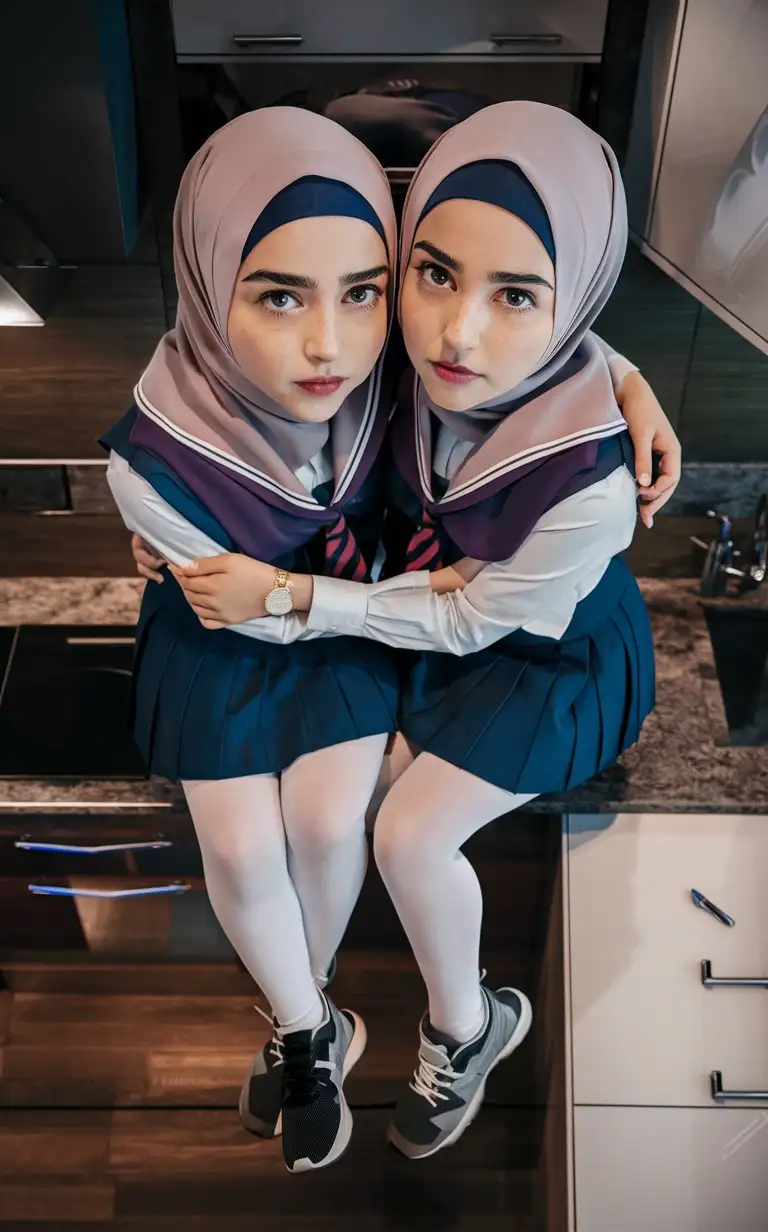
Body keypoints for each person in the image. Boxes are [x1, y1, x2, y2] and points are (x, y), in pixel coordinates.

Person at [166, 101, 658, 1162]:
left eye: (518, 296)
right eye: (432, 276)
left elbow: (478, 611)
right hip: (417, 619)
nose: (457, 332)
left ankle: (468, 1028)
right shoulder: (382, 338)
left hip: (543, 654)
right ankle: (310, 1023)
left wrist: (289, 599)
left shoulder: (592, 485)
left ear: (570, 300)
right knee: (332, 814)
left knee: (406, 831)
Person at [100, 107, 403, 1174]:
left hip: (346, 615)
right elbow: (236, 600)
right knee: (235, 843)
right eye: (279, 293)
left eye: (362, 291)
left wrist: (634, 384)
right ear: (207, 274)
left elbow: (546, 329)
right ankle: (314, 1032)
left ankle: (291, 1020)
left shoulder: (408, 369)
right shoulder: (155, 455)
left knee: (326, 825)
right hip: (222, 627)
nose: (330, 344)